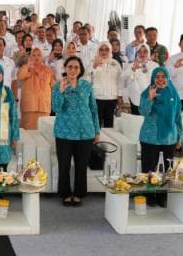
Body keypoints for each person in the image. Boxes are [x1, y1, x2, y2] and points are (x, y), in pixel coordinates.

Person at [52, 56, 100, 207]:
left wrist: (97, 131)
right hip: (64, 132)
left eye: (76, 67)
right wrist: (61, 92)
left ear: (80, 70)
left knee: (81, 165)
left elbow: (93, 109)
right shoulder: (58, 85)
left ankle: (79, 193)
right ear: (65, 68)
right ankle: (65, 194)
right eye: (70, 67)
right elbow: (56, 108)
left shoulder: (86, 86)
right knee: (64, 165)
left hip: (85, 132)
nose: (73, 70)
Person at [138, 67, 183, 205]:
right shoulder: (147, 92)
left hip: (169, 137)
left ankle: (162, 196)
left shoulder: (173, 93)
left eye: (163, 76)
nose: (160, 79)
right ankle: (150, 195)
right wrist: (150, 98)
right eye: (157, 76)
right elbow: (143, 112)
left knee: (167, 169)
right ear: (153, 78)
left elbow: (177, 117)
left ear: (168, 78)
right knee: (149, 168)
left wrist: (179, 137)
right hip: (150, 137)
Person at [87, 41, 123, 128]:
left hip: (111, 98)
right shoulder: (92, 62)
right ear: (98, 51)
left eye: (106, 49)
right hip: (97, 97)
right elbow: (88, 78)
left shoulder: (115, 63)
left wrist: (120, 95)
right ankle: (96, 141)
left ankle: (108, 141)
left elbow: (120, 80)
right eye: (101, 50)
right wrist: (95, 67)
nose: (104, 52)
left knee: (109, 123)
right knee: (96, 122)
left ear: (110, 50)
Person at [17, 48, 55, 129]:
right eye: (33, 55)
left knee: (43, 133)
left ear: (42, 57)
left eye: (38, 55)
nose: (36, 57)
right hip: (29, 107)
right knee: (29, 135)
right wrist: (27, 65)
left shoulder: (48, 70)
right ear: (30, 57)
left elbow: (53, 86)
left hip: (44, 107)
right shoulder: (26, 68)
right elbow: (20, 76)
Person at [123, 44, 158, 115]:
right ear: (137, 53)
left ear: (148, 52)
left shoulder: (154, 65)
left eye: (145, 51)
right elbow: (123, 77)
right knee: (136, 121)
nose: (142, 54)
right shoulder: (131, 65)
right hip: (135, 97)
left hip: (150, 97)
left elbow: (158, 81)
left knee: (149, 120)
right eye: (139, 51)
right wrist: (133, 69)